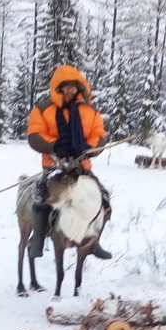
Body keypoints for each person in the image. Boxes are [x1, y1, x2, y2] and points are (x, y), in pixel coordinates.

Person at [26, 64, 112, 260]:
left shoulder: (90, 110)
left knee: (103, 198)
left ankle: (93, 242)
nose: (70, 90)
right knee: (42, 196)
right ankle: (38, 239)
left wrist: (87, 150)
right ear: (58, 87)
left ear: (80, 88)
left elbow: (99, 136)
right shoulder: (43, 108)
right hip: (54, 165)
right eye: (66, 86)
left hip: (80, 168)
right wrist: (54, 146)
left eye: (74, 86)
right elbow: (34, 135)